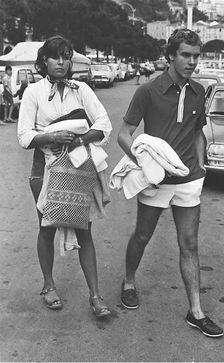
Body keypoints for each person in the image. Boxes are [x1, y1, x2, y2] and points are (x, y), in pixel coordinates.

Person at [117, 28, 223, 338]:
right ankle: (128, 281)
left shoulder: (199, 90)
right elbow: (124, 135)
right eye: (186, 55)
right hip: (156, 180)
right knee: (143, 235)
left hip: (189, 179)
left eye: (196, 56)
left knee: (189, 243)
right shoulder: (147, 92)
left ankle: (196, 311)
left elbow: (197, 131)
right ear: (170, 56)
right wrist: (143, 166)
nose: (192, 62)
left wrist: (201, 165)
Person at [17, 35, 112, 318]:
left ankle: (95, 295)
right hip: (44, 169)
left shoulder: (80, 89)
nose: (62, 61)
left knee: (84, 228)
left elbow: (104, 124)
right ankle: (48, 285)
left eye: (66, 56)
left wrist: (80, 140)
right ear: (43, 61)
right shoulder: (33, 92)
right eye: (56, 56)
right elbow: (23, 136)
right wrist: (51, 135)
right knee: (47, 226)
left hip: (78, 166)